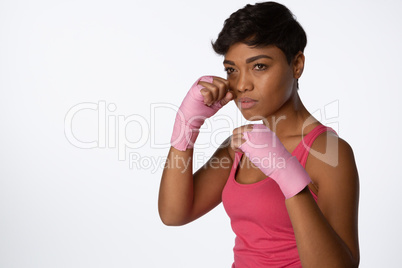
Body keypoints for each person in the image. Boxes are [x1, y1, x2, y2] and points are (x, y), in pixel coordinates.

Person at [158, 2, 360, 267]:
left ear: (297, 64)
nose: (242, 84)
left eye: (259, 66)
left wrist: (289, 176)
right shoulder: (239, 146)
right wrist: (186, 127)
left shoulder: (328, 151)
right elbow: (174, 214)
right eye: (232, 70)